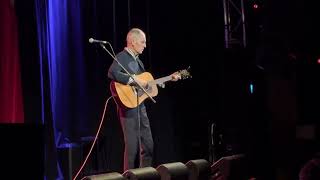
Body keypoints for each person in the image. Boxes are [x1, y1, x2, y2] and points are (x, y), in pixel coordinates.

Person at [108, 28, 180, 171]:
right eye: (143, 42)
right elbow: (112, 73)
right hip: (128, 107)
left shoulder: (139, 62)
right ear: (133, 42)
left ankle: (143, 175)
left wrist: (166, 79)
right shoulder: (122, 56)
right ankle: (128, 176)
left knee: (148, 145)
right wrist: (132, 80)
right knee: (132, 148)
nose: (145, 45)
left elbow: (145, 84)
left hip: (140, 106)